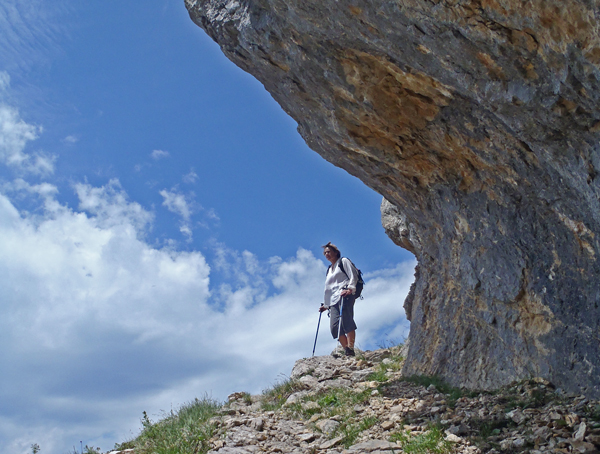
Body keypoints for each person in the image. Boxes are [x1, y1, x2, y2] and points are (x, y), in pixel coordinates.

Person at [320, 242, 358, 357]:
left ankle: (350, 349)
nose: (327, 254)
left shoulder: (343, 261)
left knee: (347, 321)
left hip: (345, 294)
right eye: (325, 253)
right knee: (334, 327)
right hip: (333, 300)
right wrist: (326, 305)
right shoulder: (329, 269)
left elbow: (353, 275)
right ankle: (346, 348)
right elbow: (328, 288)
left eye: (329, 252)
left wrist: (350, 289)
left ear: (336, 253)